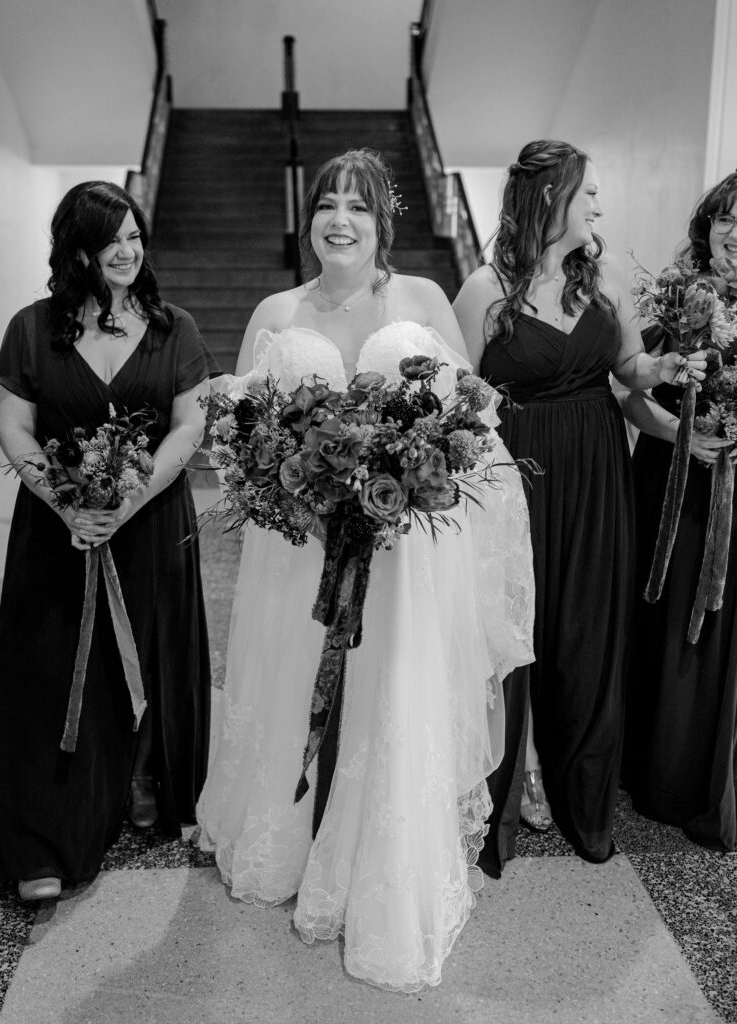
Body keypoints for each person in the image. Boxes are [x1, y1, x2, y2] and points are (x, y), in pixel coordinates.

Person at [196, 148, 535, 991]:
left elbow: (476, 409)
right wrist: (285, 476)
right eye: (325, 205)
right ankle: (290, 830)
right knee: (294, 677)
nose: (338, 220)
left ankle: (381, 854)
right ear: (307, 219)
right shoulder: (277, 308)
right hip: (300, 546)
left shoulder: (419, 298)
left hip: (402, 546)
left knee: (392, 686)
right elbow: (238, 434)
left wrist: (417, 461)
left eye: (357, 205)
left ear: (385, 220)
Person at [453, 139, 707, 869]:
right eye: (588, 193)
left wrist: (657, 368)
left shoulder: (607, 277)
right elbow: (462, 400)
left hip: (598, 472)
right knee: (516, 624)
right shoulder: (484, 291)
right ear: (547, 199)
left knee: (590, 629)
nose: (599, 205)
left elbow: (628, 370)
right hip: (517, 476)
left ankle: (583, 794)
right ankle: (515, 773)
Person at [0, 181, 218, 902]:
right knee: (54, 667)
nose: (126, 250)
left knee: (154, 649)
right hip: (60, 533)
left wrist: (129, 498)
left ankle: (149, 779)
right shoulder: (31, 328)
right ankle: (44, 835)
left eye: (134, 235)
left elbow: (190, 427)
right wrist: (66, 504)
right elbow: (16, 429)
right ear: (75, 248)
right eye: (109, 238)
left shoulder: (173, 325)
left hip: (151, 522)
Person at [618, 172, 737, 851]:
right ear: (706, 226)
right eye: (724, 219)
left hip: (731, 488)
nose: (733, 234)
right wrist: (682, 435)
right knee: (667, 621)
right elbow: (633, 397)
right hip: (672, 477)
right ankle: (656, 772)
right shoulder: (675, 300)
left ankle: (708, 779)